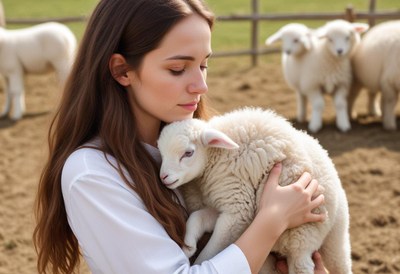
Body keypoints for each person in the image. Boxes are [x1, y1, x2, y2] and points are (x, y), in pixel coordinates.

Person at [33, 0, 328, 273]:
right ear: (123, 70)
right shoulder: (93, 175)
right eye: (178, 69)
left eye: (203, 65)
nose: (201, 86)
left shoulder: (197, 150)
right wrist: (272, 221)